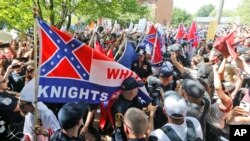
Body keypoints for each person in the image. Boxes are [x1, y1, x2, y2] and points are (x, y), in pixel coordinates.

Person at [111, 77, 145, 141]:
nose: (138, 89)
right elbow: (119, 131)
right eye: (137, 88)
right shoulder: (119, 109)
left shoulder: (134, 99)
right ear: (132, 92)